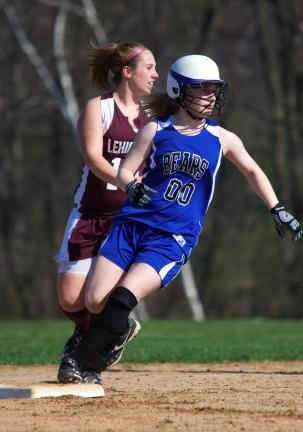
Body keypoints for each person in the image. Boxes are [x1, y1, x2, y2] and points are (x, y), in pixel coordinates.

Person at [64, 54, 303, 384]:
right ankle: (115, 335)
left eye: (213, 89)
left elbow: (252, 170)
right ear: (179, 90)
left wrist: (277, 208)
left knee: (123, 298)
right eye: (201, 89)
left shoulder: (222, 139)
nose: (210, 96)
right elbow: (125, 170)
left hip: (170, 239)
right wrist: (131, 186)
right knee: (93, 301)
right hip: (131, 227)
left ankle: (83, 365)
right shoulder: (155, 130)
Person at [55, 41, 158, 385]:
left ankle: (87, 357)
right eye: (149, 68)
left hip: (126, 222)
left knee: (98, 300)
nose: (155, 75)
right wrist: (127, 183)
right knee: (70, 299)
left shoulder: (152, 118)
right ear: (127, 72)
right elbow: (94, 160)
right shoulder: (99, 108)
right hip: (89, 214)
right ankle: (118, 328)